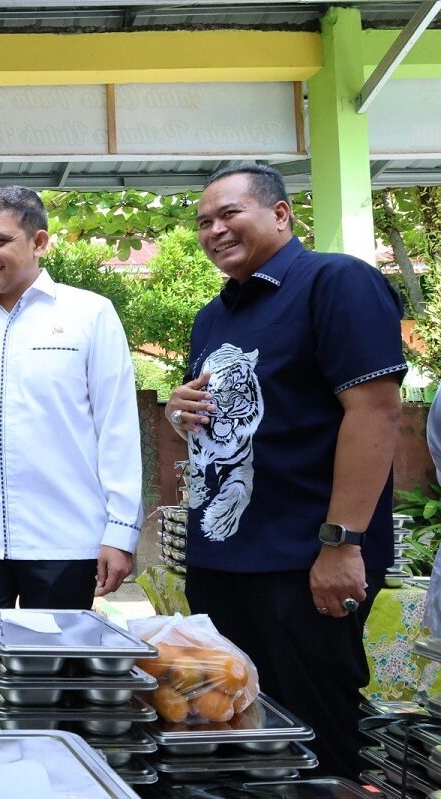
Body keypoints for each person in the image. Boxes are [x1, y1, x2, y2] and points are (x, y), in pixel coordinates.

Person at [167, 163, 405, 779]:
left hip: (304, 561)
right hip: (223, 560)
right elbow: (238, 419)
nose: (214, 230)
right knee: (233, 729)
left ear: (280, 214)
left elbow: (375, 413)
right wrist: (180, 411)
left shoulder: (336, 281)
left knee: (315, 735)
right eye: (204, 222)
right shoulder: (214, 315)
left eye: (229, 214)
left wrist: (342, 543)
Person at [0, 186, 143, 722]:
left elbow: (116, 426)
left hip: (66, 534)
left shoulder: (90, 314)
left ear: (39, 242)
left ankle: (53, 764)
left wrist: (120, 530)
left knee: (58, 679)